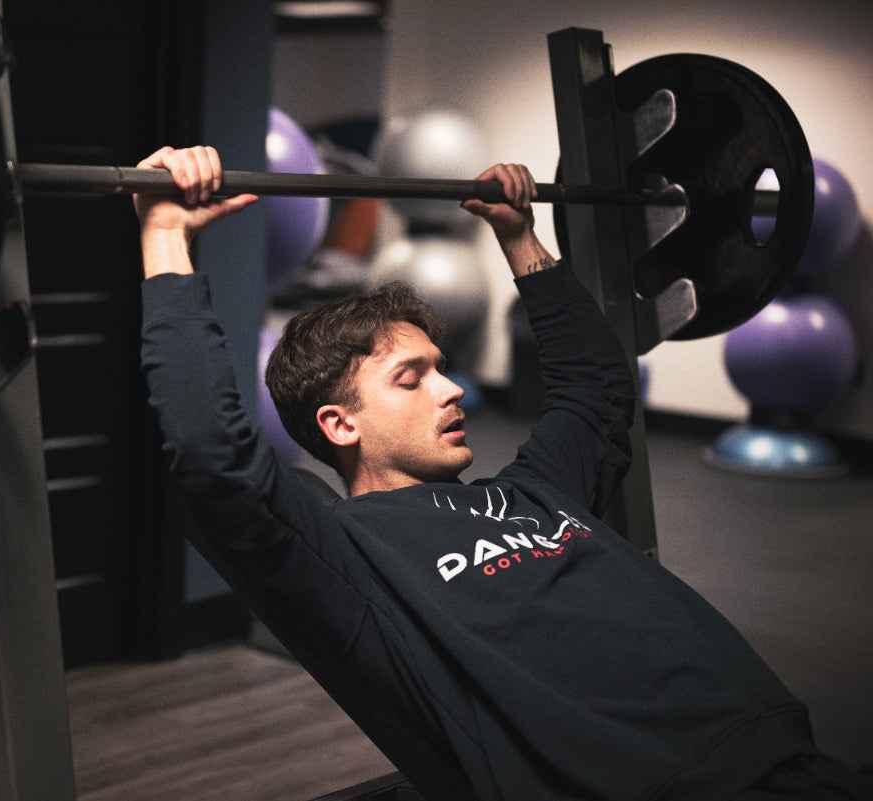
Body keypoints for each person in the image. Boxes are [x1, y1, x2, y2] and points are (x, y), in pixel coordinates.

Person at [134, 145, 870, 800]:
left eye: (443, 370)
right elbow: (213, 453)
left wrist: (518, 237)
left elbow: (597, 391)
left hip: (788, 756)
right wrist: (166, 236)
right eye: (410, 377)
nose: (452, 389)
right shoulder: (343, 557)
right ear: (339, 423)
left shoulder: (531, 490)